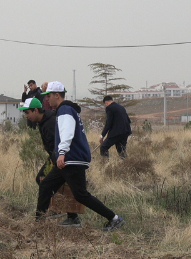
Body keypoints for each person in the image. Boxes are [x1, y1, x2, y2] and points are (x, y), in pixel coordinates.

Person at [35, 82, 124, 232]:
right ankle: (39, 223)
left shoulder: (65, 110)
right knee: (46, 186)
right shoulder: (66, 109)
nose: (47, 100)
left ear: (57, 95)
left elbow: (67, 133)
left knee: (81, 195)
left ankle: (114, 218)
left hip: (71, 159)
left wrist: (61, 153)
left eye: (49, 96)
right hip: (70, 159)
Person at [19, 97, 81, 226]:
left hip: (62, 158)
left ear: (35, 110)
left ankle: (41, 220)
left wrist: (56, 160)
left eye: (27, 112)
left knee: (49, 185)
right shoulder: (42, 121)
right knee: (42, 180)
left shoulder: (50, 122)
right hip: (54, 157)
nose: (26, 116)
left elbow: (58, 145)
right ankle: (68, 214)